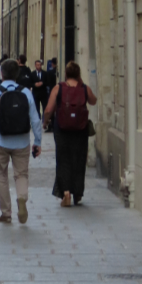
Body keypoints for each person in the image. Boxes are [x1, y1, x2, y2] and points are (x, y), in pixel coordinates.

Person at [0, 59, 42, 224]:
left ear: (2, 73)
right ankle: (21, 198)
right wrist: (37, 141)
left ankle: (6, 212)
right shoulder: (26, 93)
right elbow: (35, 120)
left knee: (0, 175)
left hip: (1, 140)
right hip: (22, 141)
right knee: (21, 174)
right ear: (17, 75)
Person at [44, 61, 97, 206]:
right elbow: (93, 101)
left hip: (62, 129)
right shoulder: (84, 89)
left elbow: (49, 109)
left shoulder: (58, 88)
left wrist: (45, 121)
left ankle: (65, 192)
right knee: (79, 160)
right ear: (79, 74)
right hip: (80, 130)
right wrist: (82, 86)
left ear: (66, 73)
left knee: (63, 160)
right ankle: (78, 193)